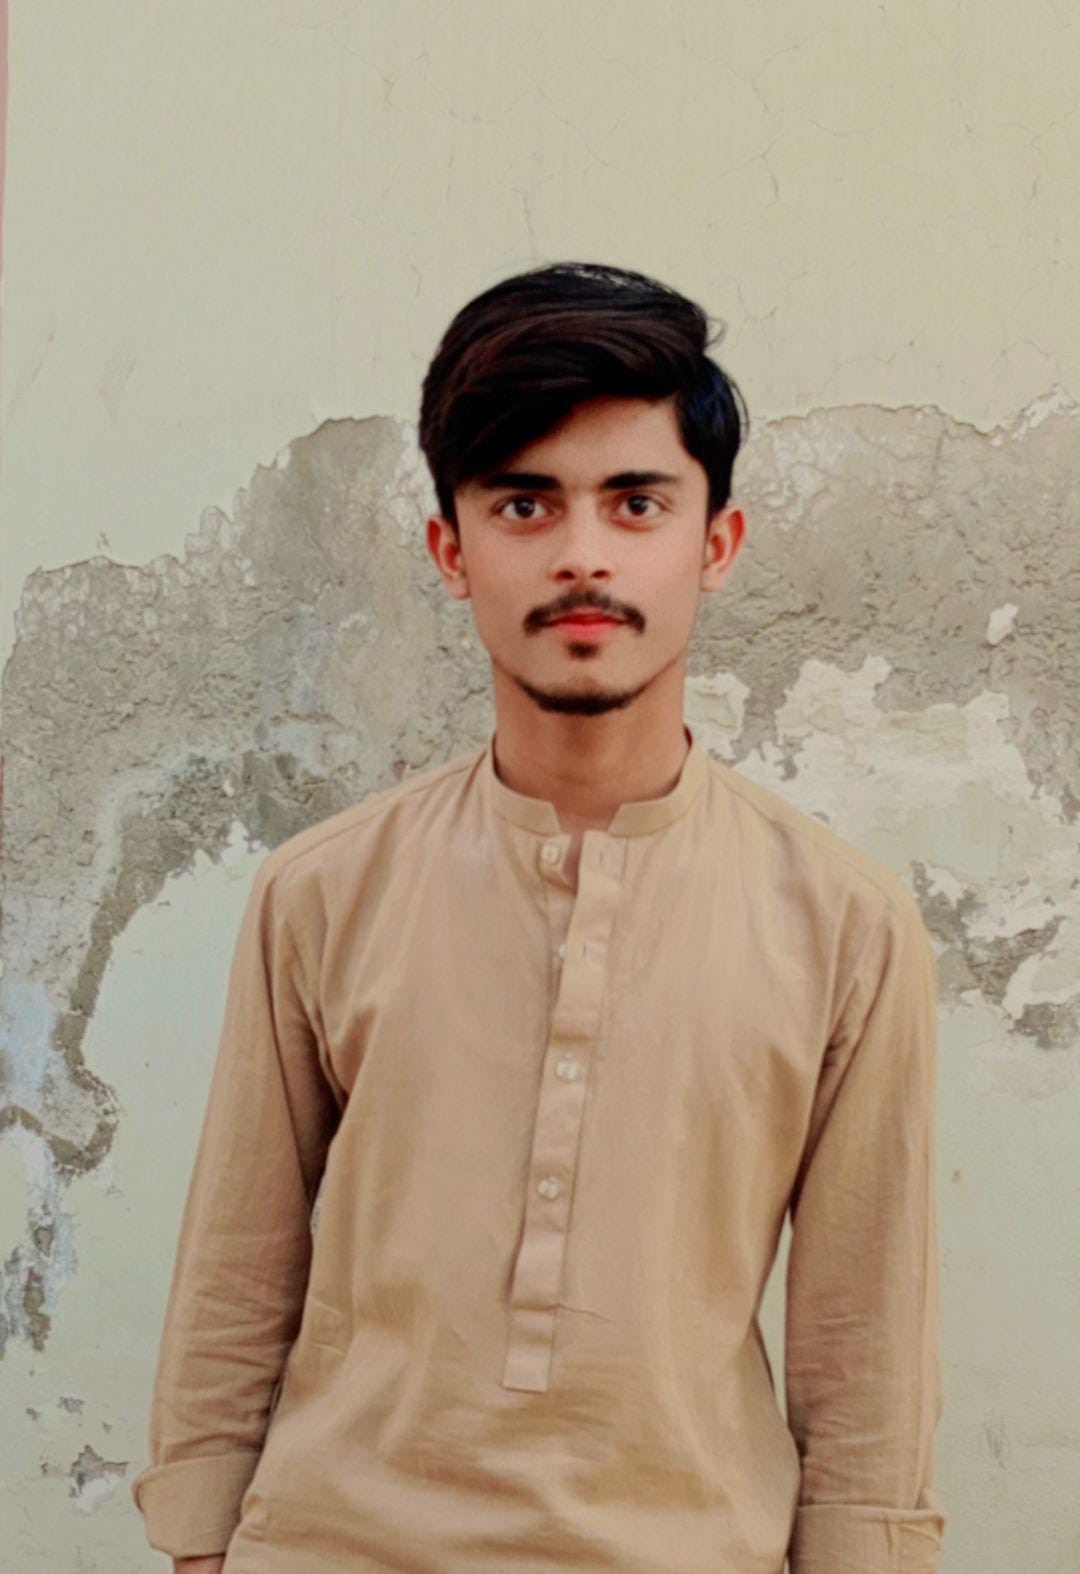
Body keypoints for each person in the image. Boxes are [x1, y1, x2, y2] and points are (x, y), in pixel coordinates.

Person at [132, 261, 947, 1573]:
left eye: (636, 502)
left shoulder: (845, 925)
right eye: (525, 502)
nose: (582, 554)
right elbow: (236, 1278)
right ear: (452, 551)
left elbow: (865, 1354)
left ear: (715, 545)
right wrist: (198, 1544)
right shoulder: (323, 892)